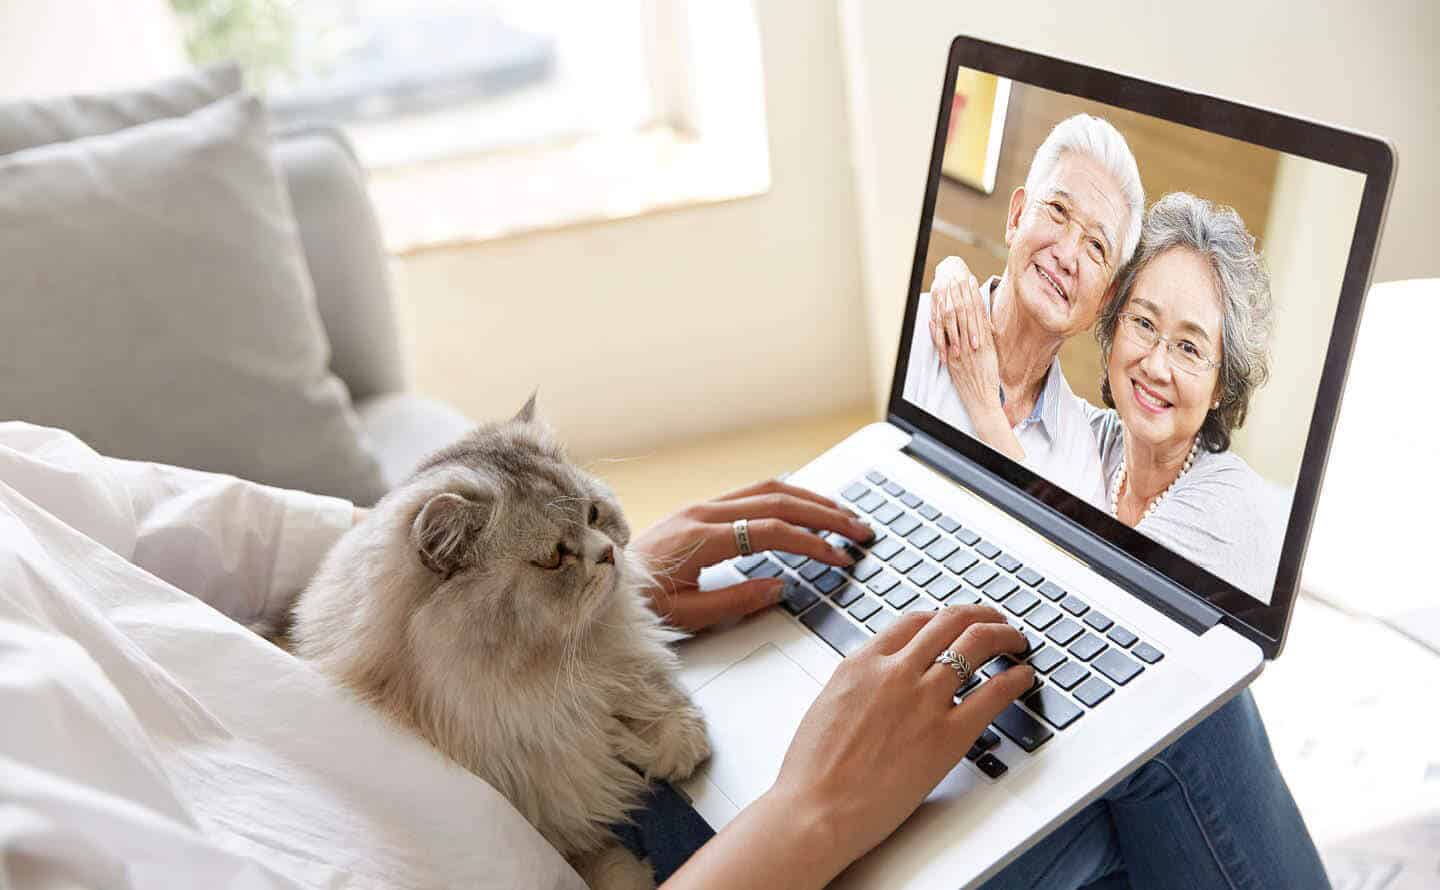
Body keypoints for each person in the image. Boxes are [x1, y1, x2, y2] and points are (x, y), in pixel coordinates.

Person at [0, 422, 1324, 889]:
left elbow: (182, 527)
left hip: (513, 787)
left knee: (1105, 689)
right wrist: (805, 820)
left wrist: (564, 598)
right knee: (1165, 715)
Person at [933, 192, 1284, 598]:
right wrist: (954, 278)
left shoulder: (1230, 505)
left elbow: (1082, 594)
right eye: (1143, 323)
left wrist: (984, 409)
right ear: (1112, 322)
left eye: (1188, 347)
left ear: (1222, 385)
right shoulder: (1094, 440)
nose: (1155, 365)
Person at [904, 113, 1145, 506]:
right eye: (1058, 210)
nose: (1067, 255)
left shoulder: (1080, 463)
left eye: (1096, 247)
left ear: (1105, 299)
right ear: (1016, 217)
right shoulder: (918, 334)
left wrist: (984, 407)